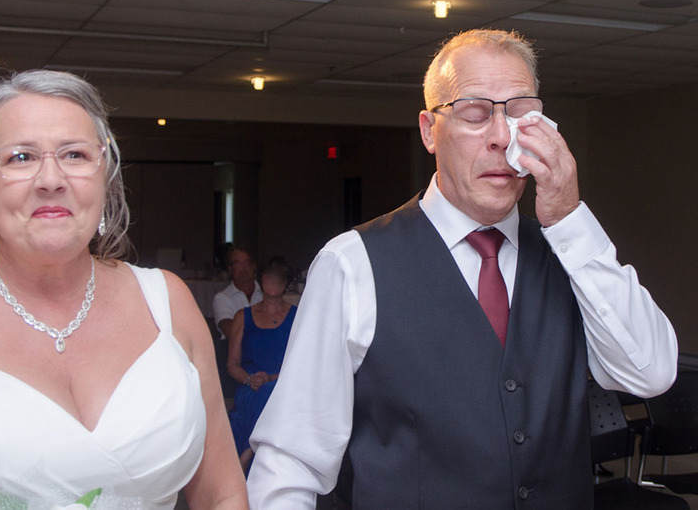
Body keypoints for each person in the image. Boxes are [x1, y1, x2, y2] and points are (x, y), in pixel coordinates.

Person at [247, 29, 679, 509]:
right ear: (430, 131)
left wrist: (569, 219)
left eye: (519, 113)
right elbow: (291, 463)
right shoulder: (352, 263)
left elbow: (651, 372)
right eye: (475, 113)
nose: (500, 136)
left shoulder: (571, 257)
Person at [0, 70, 247, 509]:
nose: (51, 178)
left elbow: (222, 494)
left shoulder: (169, 302)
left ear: (106, 181)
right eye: (20, 157)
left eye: (75, 155)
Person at [226, 256, 296, 472]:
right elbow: (232, 364)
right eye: (269, 277)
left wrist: (271, 378)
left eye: (279, 278)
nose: (274, 282)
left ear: (286, 284)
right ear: (261, 279)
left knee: (270, 391)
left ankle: (245, 456)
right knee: (260, 395)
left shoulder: (297, 316)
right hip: (250, 388)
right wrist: (249, 379)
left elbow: (301, 363)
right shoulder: (242, 316)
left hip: (284, 388)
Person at [212, 245, 263, 398]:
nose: (243, 268)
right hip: (236, 363)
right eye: (237, 263)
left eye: (246, 263)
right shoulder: (222, 298)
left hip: (265, 360)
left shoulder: (269, 294)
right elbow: (230, 331)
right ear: (229, 268)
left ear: (254, 266)